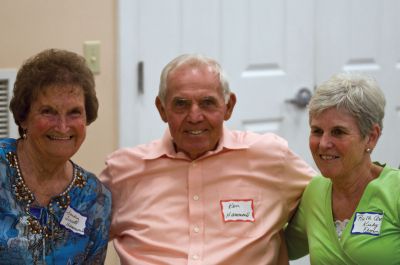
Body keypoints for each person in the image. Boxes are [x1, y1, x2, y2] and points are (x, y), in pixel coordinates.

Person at [100, 53, 315, 265]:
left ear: (228, 106)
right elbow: (77, 236)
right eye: (181, 104)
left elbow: (334, 198)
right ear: (162, 109)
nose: (195, 117)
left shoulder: (270, 158)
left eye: (207, 103)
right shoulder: (123, 171)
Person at [0, 49, 112, 264]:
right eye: (48, 111)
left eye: (74, 112)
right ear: (23, 118)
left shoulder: (95, 199)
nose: (62, 127)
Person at [285, 73, 400, 264]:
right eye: (317, 131)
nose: (323, 144)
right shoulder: (314, 192)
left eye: (338, 132)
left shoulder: (395, 192)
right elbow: (278, 247)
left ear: (371, 137)